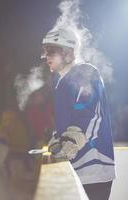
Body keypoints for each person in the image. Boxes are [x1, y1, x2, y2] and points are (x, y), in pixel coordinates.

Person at [41, 28, 116, 200]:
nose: (47, 56)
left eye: (52, 51)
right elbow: (66, 121)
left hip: (94, 168)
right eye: (45, 51)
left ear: (69, 52)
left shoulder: (86, 73)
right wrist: (56, 138)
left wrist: (71, 141)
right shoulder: (61, 82)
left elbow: (90, 115)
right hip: (75, 168)